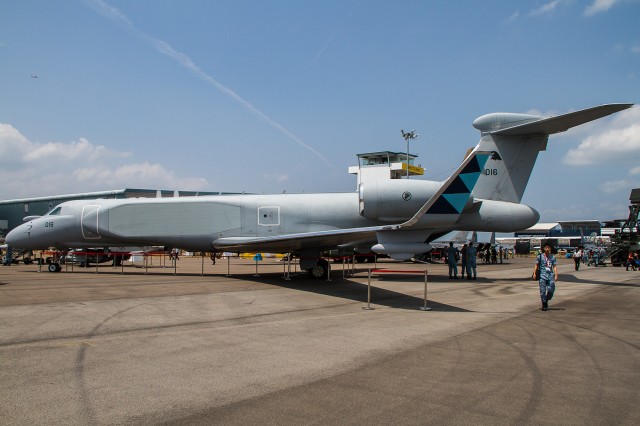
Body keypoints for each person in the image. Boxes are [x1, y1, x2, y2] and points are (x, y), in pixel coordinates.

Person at [533, 243, 558, 311]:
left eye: (548, 247)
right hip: (542, 275)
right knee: (543, 291)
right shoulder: (540, 256)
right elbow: (536, 265)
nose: (547, 248)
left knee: (551, 289)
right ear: (543, 249)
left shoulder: (552, 257)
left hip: (550, 275)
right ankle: (544, 303)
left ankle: (547, 299)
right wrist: (534, 273)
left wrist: (556, 275)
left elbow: (554, 266)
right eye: (546, 247)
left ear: (550, 249)